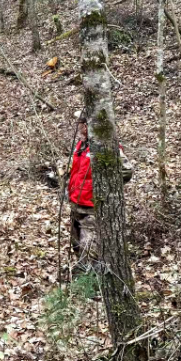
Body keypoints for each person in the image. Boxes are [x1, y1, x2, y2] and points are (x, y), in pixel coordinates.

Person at [67, 114, 133, 269]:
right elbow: (76, 171)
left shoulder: (105, 145)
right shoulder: (81, 145)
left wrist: (104, 188)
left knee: (88, 247)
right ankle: (80, 275)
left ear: (88, 125)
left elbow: (126, 171)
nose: (78, 126)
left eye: (80, 123)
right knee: (76, 243)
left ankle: (89, 281)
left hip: (93, 206)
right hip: (76, 204)